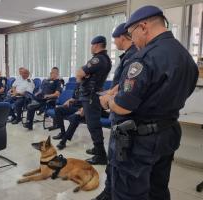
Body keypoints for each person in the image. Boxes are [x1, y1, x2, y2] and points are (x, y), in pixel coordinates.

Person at [99, 6, 198, 200]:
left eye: (131, 33)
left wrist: (107, 100)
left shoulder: (143, 58)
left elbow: (123, 106)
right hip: (168, 132)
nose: (132, 40)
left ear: (143, 27)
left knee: (128, 192)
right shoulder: (186, 57)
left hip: (139, 140)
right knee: (158, 189)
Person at [92, 23, 138, 200]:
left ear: (122, 37)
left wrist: (109, 98)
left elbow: (129, 86)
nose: (115, 43)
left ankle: (111, 193)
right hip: (116, 108)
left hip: (121, 114)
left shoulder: (134, 56)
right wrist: (110, 92)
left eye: (115, 39)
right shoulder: (128, 56)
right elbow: (121, 83)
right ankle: (109, 191)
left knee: (115, 158)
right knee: (113, 159)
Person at [80, 36, 112, 165]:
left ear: (97, 45)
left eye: (92, 45)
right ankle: (97, 148)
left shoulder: (98, 59)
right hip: (93, 95)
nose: (91, 47)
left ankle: (101, 155)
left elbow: (80, 73)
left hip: (91, 96)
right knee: (93, 124)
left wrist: (82, 75)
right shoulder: (105, 59)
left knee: (93, 125)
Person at [51, 69, 82, 139]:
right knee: (58, 109)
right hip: (74, 106)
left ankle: (65, 136)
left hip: (81, 108)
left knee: (62, 111)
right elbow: (74, 97)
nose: (75, 78)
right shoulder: (78, 85)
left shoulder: (87, 86)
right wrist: (68, 101)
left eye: (77, 76)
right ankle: (62, 132)